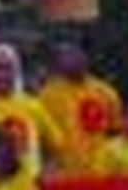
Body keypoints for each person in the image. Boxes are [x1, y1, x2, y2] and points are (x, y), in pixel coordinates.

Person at [0, 44, 65, 180]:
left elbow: (56, 145)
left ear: (16, 72)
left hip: (26, 186)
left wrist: (46, 174)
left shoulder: (31, 106)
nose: (2, 74)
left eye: (7, 68)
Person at [39, 39, 122, 176]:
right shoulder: (47, 95)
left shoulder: (106, 93)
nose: (71, 59)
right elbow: (42, 138)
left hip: (101, 173)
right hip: (63, 175)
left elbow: (116, 135)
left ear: (86, 56)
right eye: (65, 55)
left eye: (75, 53)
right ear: (58, 61)